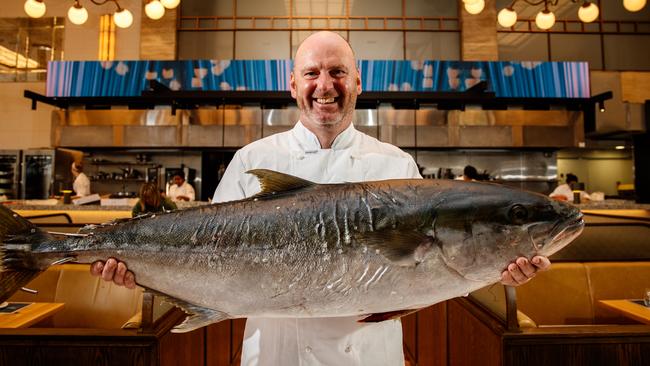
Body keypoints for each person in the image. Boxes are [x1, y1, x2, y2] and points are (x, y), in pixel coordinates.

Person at [90, 31, 551, 366]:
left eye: (337, 73)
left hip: (369, 359)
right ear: (293, 85)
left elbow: (439, 269)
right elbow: (205, 257)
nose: (324, 86)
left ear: (357, 82)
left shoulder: (397, 166)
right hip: (275, 356)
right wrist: (139, 270)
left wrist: (502, 266)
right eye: (312, 73)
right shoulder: (253, 159)